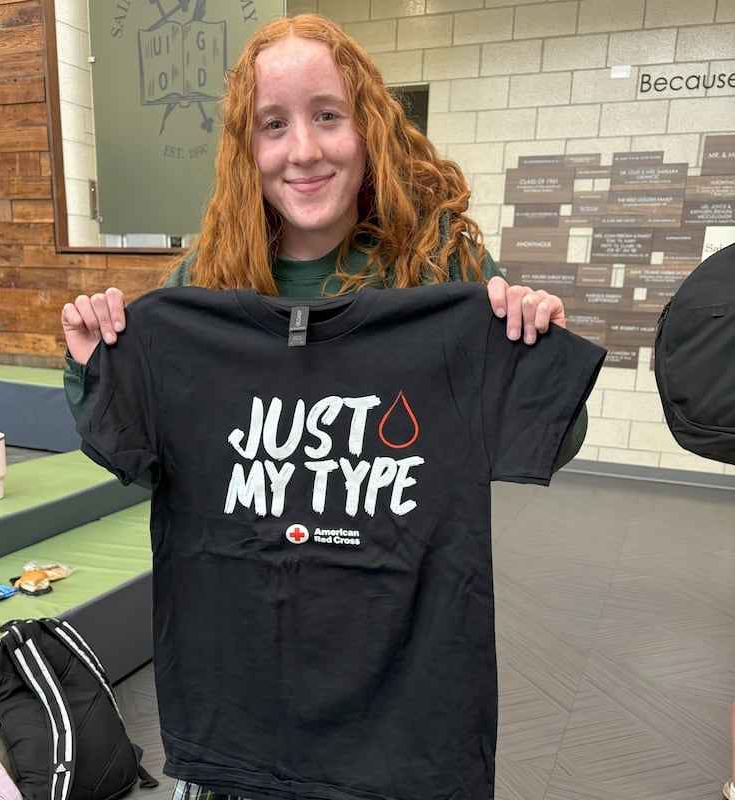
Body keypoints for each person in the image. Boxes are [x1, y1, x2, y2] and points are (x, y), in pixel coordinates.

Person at [61, 14, 603, 800]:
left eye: (327, 115)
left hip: (404, 710)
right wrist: (92, 362)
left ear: (369, 126)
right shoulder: (199, 287)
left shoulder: (443, 267)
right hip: (242, 703)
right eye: (273, 126)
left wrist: (527, 338)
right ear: (247, 149)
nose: (305, 150)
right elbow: (147, 462)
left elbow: (549, 442)